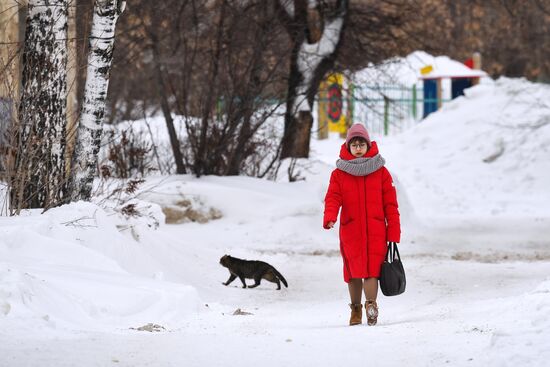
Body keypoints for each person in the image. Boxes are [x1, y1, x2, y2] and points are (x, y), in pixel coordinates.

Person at [323, 123, 401, 326]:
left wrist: (393, 231)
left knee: (373, 270)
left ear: (368, 145)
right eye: (354, 144)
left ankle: (371, 306)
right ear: (348, 147)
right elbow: (333, 197)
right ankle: (355, 309)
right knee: (353, 271)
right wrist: (330, 216)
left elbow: (391, 205)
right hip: (351, 231)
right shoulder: (339, 174)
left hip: (376, 230)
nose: (358, 148)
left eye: (361, 144)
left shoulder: (381, 172)